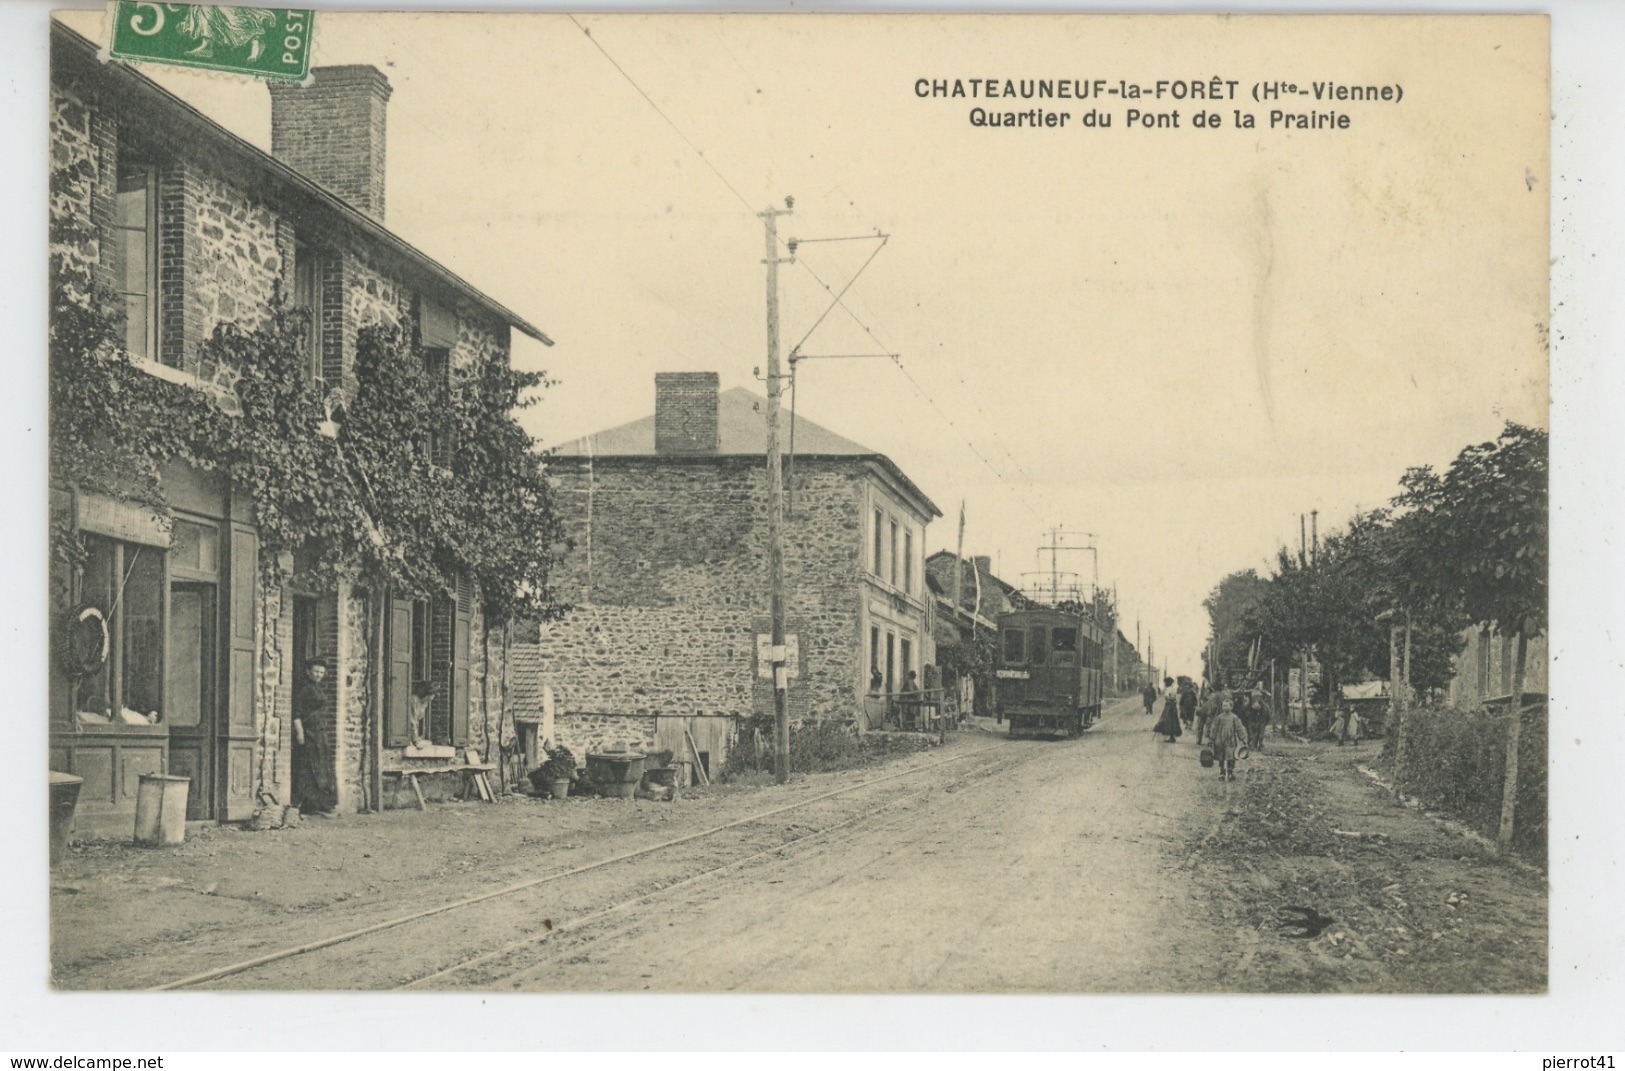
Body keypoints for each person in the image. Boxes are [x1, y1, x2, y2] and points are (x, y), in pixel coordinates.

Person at [291, 659, 336, 816]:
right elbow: (296, 713)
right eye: (316, 671)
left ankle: (321, 803)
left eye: (321, 673)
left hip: (319, 732)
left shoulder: (316, 688)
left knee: (322, 766)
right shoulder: (303, 689)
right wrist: (300, 733)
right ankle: (309, 804)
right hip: (308, 732)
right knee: (310, 767)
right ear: (308, 671)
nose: (319, 675)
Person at [1209, 696, 1248, 781]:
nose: (1224, 707)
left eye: (1226, 705)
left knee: (1231, 757)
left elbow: (1239, 728)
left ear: (1231, 707)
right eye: (1223, 705)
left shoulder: (1234, 717)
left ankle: (1230, 773)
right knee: (1221, 757)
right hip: (1220, 741)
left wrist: (1243, 739)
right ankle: (1222, 773)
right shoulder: (1219, 717)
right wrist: (1211, 739)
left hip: (1230, 741)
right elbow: (1214, 728)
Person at [1152, 676, 1182, 742]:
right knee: (1172, 721)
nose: (1165, 684)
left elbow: (1170, 698)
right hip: (1171, 706)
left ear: (1168, 683)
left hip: (1169, 706)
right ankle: (1172, 737)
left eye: (1166, 683)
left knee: (1168, 721)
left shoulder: (1169, 689)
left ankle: (1171, 738)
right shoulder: (1172, 689)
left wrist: (1169, 701)